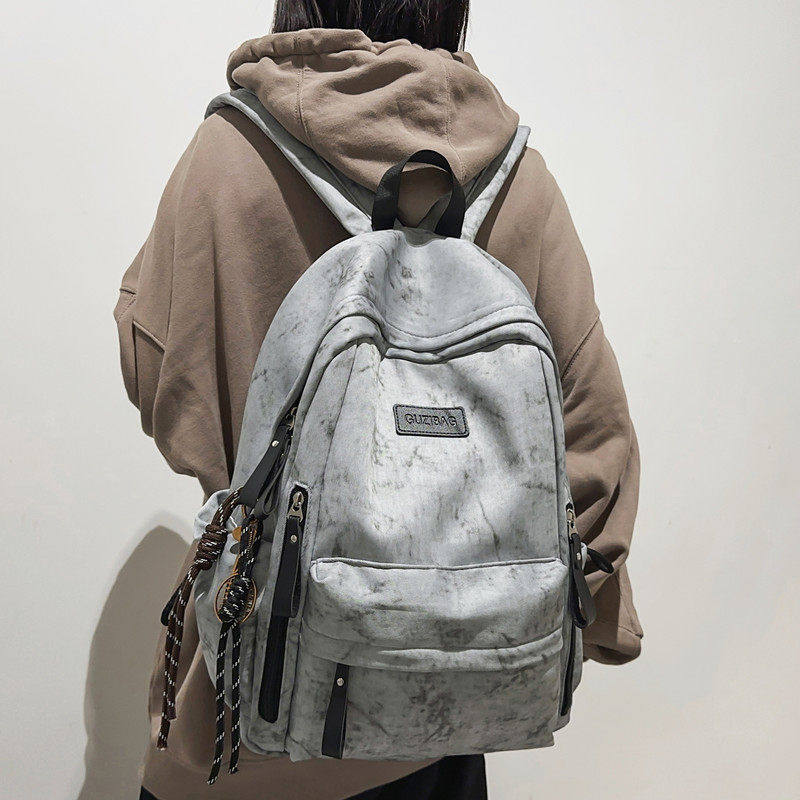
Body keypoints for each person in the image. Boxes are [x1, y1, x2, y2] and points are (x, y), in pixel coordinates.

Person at [115, 2, 642, 798]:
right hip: (442, 715)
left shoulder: (229, 156)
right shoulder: (519, 181)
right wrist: (589, 609)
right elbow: (596, 438)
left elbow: (153, 367)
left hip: (246, 719)